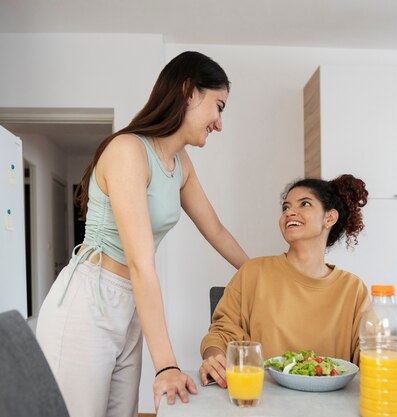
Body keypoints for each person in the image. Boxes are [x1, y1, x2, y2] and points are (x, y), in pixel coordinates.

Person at [36, 51, 249, 417]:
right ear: (188, 92)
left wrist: (264, 273)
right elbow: (140, 262)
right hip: (89, 301)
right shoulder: (127, 151)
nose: (219, 123)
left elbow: (215, 229)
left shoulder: (181, 164)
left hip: (130, 304)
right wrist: (166, 365)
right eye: (219, 106)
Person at [198, 174, 371, 388]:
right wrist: (214, 358)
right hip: (261, 399)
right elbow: (222, 333)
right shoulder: (253, 272)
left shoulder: (353, 289)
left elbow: (370, 349)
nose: (290, 212)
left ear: (329, 218)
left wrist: (389, 361)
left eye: (304, 204)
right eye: (285, 207)